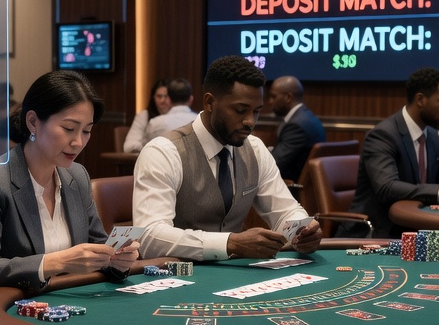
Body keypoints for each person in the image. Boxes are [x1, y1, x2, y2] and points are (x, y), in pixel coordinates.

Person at [0, 70, 138, 304]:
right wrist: (57, 262)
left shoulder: (77, 176)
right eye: (69, 128)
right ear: (33, 122)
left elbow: (97, 246)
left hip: (66, 304)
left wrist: (116, 260)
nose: (78, 142)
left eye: (86, 131)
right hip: (3, 311)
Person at [133, 55, 321, 261]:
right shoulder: (163, 152)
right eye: (240, 111)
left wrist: (301, 231)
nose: (250, 121)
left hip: (236, 277)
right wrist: (230, 243)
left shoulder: (255, 149)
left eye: (256, 111)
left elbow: (286, 211)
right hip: (176, 279)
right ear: (210, 102)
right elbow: (149, 236)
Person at [335, 67, 439, 239]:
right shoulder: (383, 135)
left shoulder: (432, 135)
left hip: (414, 229)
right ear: (420, 99)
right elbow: (387, 188)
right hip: (375, 233)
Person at [265, 75, 326, 181]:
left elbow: (274, 165)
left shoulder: (296, 126)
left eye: (273, 97)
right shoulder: (307, 117)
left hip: (291, 189)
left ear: (288, 97)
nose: (270, 101)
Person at [122, 78, 172, 152]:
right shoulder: (144, 115)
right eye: (159, 96)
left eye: (166, 96)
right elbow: (129, 145)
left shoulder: (177, 116)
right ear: (153, 98)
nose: (162, 101)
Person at [141, 77, 197, 143]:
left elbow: (145, 148)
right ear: (191, 99)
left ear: (169, 100)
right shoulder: (200, 121)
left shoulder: (155, 123)